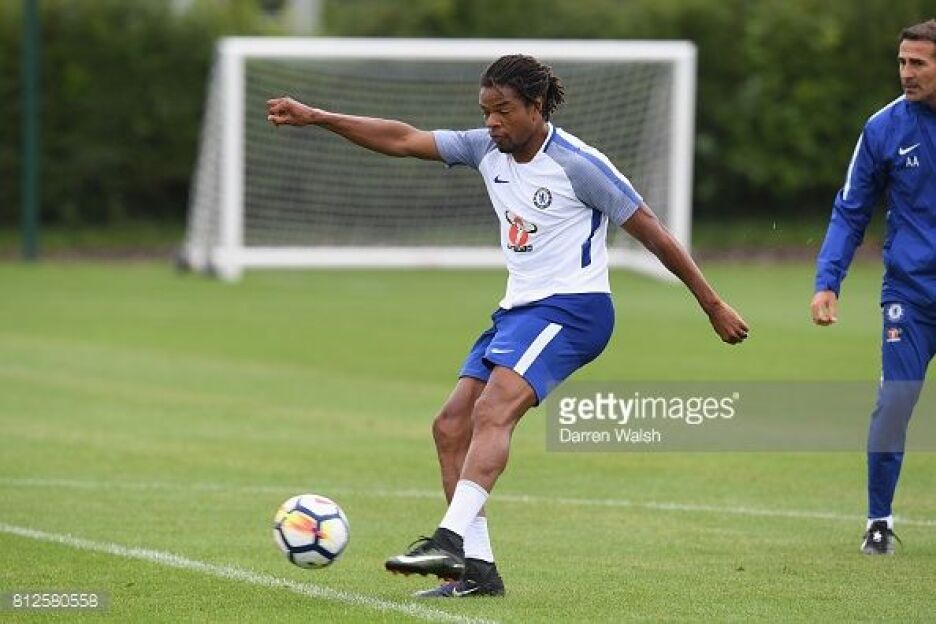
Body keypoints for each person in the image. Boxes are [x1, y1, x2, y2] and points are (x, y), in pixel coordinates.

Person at [268, 54, 749, 596]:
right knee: (451, 426)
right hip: (518, 312)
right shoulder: (484, 149)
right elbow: (403, 139)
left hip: (574, 310)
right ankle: (478, 572)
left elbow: (653, 231)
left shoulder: (578, 165)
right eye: (485, 111)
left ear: (535, 107)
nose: (492, 122)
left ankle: (448, 540)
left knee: (492, 409)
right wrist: (318, 117)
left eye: (503, 110)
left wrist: (712, 304)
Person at [812, 19, 936, 555]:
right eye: (902, 61)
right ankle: (878, 522)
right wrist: (828, 281)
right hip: (911, 296)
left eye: (919, 63)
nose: (906, 72)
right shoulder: (884, 128)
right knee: (894, 404)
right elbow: (850, 211)